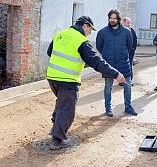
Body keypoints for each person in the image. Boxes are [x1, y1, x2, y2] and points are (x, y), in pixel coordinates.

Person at [46, 16, 125, 149]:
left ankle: (55, 128)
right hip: (68, 80)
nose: (90, 33)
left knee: (62, 103)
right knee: (67, 109)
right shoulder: (81, 41)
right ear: (85, 26)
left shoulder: (60, 34)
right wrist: (116, 74)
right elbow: (97, 62)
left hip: (52, 77)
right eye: (90, 29)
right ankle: (58, 139)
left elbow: (50, 52)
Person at [96, 9, 137, 117]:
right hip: (108, 64)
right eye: (111, 18)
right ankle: (108, 108)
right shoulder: (102, 32)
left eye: (114, 18)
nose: (112, 20)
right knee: (108, 86)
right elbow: (99, 47)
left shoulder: (127, 32)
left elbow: (130, 46)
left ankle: (128, 107)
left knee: (127, 86)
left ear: (118, 19)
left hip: (123, 63)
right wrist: (108, 55)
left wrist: (121, 55)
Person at [122, 17, 137, 83]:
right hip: (122, 53)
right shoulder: (120, 31)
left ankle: (129, 81)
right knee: (121, 67)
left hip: (130, 53)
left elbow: (135, 40)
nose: (129, 24)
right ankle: (122, 81)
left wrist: (133, 49)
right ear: (124, 23)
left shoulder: (132, 31)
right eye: (128, 23)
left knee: (129, 66)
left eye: (130, 23)